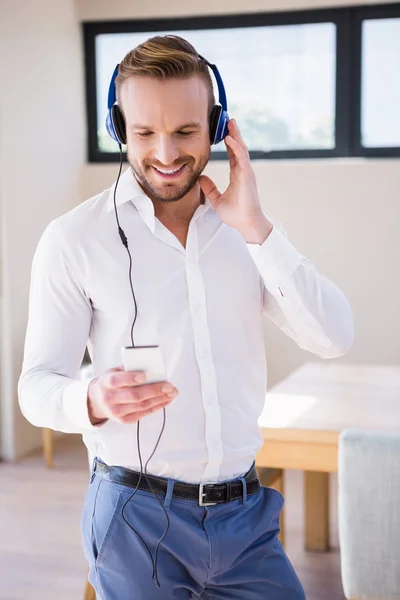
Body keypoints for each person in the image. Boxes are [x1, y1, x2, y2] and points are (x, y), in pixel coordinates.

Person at [18, 35, 354, 600]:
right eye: (145, 132)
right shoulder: (74, 239)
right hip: (134, 519)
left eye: (185, 131)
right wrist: (92, 400)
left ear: (218, 126)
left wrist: (256, 229)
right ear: (120, 127)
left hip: (246, 519)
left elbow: (334, 337)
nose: (166, 153)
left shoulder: (246, 230)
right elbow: (35, 388)